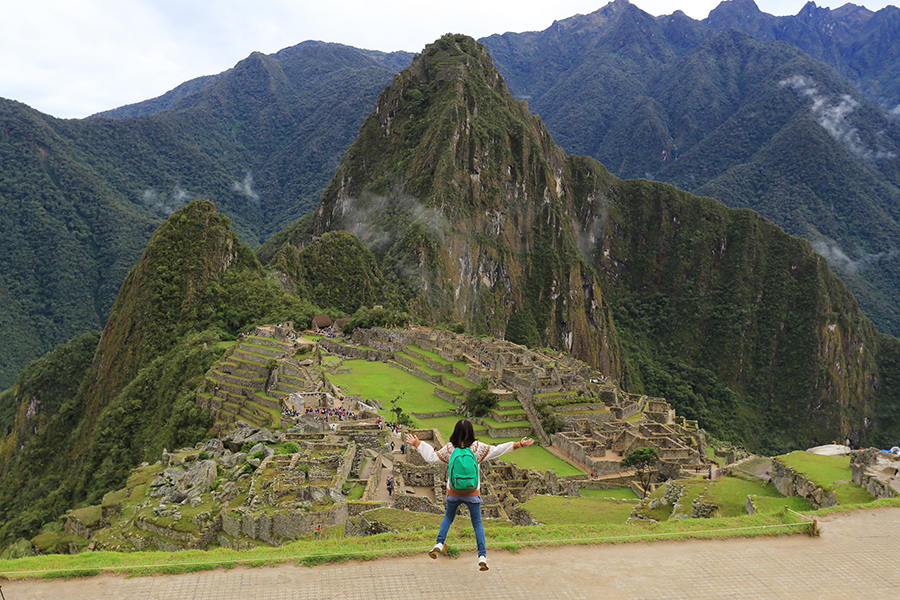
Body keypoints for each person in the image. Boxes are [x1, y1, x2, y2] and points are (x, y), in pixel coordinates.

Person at [407, 419, 534, 571]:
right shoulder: (478, 448)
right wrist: (518, 444)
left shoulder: (450, 449)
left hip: (454, 491)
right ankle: (482, 557)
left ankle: (439, 544)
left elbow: (431, 458)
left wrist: (417, 444)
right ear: (471, 432)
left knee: (448, 517)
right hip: (473, 492)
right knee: (477, 523)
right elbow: (497, 450)